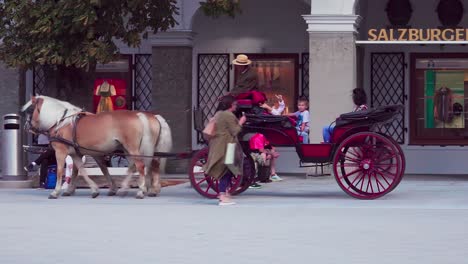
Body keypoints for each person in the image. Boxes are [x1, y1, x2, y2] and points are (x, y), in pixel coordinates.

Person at [203, 95, 247, 206]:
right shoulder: (228, 115)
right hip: (226, 146)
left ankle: (225, 193)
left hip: (220, 144)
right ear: (230, 105)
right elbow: (235, 131)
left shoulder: (219, 114)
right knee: (226, 170)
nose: (236, 106)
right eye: (235, 104)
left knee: (228, 169)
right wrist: (241, 121)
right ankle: (222, 196)